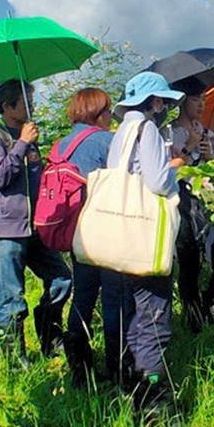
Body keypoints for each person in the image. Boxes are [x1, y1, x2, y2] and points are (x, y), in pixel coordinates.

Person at [108, 72, 185, 427]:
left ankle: (133, 394)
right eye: (165, 103)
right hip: (144, 238)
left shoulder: (122, 132)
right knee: (154, 321)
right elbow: (156, 181)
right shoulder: (148, 131)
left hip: (121, 239)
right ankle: (157, 409)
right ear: (154, 103)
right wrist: (175, 173)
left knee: (134, 316)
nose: (167, 109)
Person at [0, 79, 73, 371]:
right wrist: (21, 144)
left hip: (35, 227)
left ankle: (49, 337)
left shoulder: (28, 137)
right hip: (7, 228)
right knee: (11, 293)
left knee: (61, 279)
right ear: (8, 107)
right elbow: (0, 178)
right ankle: (14, 358)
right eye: (26, 102)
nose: (32, 107)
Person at [54, 88, 130, 390]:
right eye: (108, 110)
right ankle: (117, 370)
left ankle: (80, 372)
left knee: (83, 296)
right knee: (114, 298)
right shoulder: (105, 140)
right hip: (106, 229)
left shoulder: (62, 145)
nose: (111, 116)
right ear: (98, 112)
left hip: (76, 230)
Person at [162, 78, 214, 332]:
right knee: (187, 260)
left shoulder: (209, 132)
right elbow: (166, 170)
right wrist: (191, 146)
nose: (201, 104)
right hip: (181, 201)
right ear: (183, 102)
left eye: (204, 99)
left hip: (206, 201)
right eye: (197, 99)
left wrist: (209, 156)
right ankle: (192, 316)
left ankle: (210, 307)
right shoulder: (168, 132)